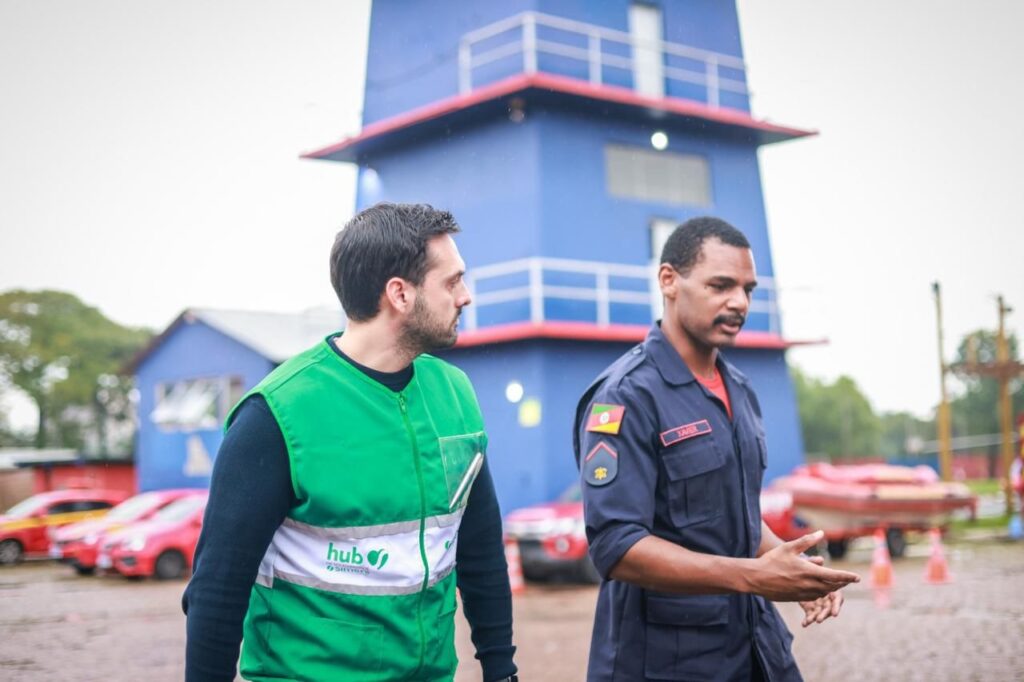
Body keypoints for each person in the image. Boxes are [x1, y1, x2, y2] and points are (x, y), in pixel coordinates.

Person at [183, 203, 518, 682]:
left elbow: (481, 551)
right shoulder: (277, 414)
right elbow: (217, 591)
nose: (464, 297)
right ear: (400, 294)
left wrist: (502, 670)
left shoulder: (456, 393)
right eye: (452, 281)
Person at [573, 217, 859, 681]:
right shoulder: (625, 396)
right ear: (669, 280)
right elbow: (616, 546)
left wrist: (791, 567)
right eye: (721, 285)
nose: (739, 303)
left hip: (756, 650)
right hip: (666, 663)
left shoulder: (740, 390)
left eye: (748, 289)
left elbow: (735, 516)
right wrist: (755, 577)